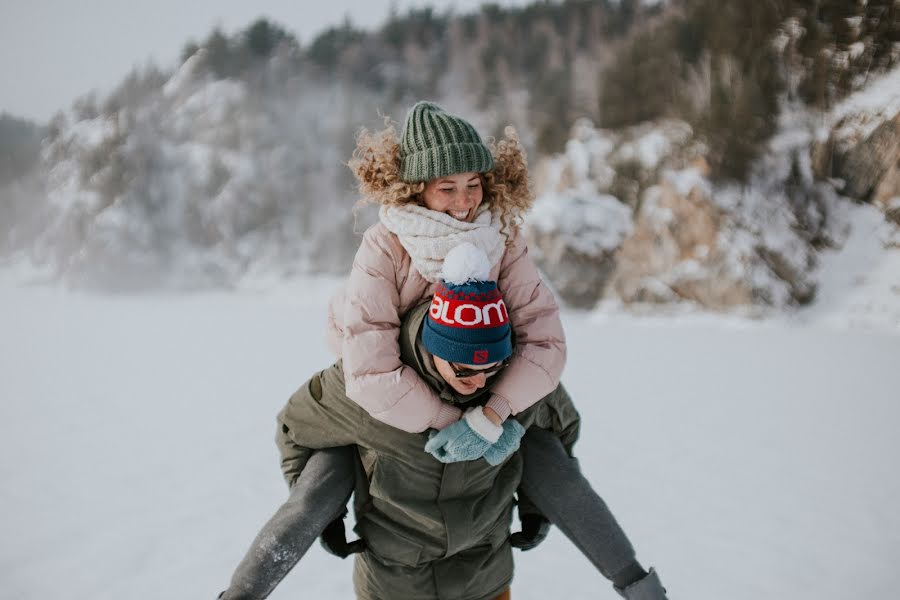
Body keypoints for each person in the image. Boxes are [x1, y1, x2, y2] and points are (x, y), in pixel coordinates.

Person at [218, 249, 669, 600]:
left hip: (485, 579)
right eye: (465, 370)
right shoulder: (364, 386)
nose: (480, 383)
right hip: (394, 586)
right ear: (434, 348)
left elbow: (562, 436)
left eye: (493, 367)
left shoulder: (522, 383)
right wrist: (326, 513)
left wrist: (535, 506)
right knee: (329, 465)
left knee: (538, 450)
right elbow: (295, 431)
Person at [332, 100, 565, 465]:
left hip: (478, 373)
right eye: (447, 188)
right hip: (400, 381)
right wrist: (452, 422)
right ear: (417, 189)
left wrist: (492, 416)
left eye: (473, 183)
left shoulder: (501, 234)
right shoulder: (385, 243)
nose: (465, 200)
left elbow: (544, 339)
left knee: (560, 413)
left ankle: (537, 519)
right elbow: (370, 368)